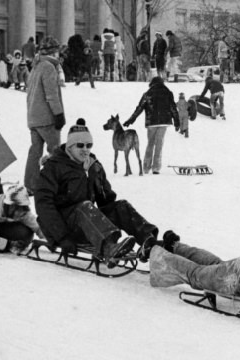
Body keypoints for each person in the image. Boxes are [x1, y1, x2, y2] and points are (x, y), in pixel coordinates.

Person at [34, 119, 166, 263]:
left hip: (89, 225)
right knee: (84, 207)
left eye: (89, 145)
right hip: (64, 227)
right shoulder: (54, 167)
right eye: (80, 145)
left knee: (120, 206)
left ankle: (149, 242)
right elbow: (43, 204)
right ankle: (108, 248)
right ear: (70, 147)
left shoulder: (93, 166)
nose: (85, 149)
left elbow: (107, 201)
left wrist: (114, 210)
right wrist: (62, 236)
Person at [25, 37, 65, 194]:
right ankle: (56, 185)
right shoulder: (48, 67)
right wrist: (58, 114)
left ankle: (31, 185)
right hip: (46, 118)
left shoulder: (36, 67)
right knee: (56, 152)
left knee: (35, 152)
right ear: (54, 52)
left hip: (33, 118)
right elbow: (51, 95)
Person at [124, 76, 180, 174]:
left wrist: (131, 120)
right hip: (164, 122)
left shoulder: (148, 94)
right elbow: (173, 108)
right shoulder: (168, 93)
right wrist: (177, 122)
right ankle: (156, 168)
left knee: (150, 143)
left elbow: (139, 108)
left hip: (152, 123)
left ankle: (146, 167)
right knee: (159, 143)